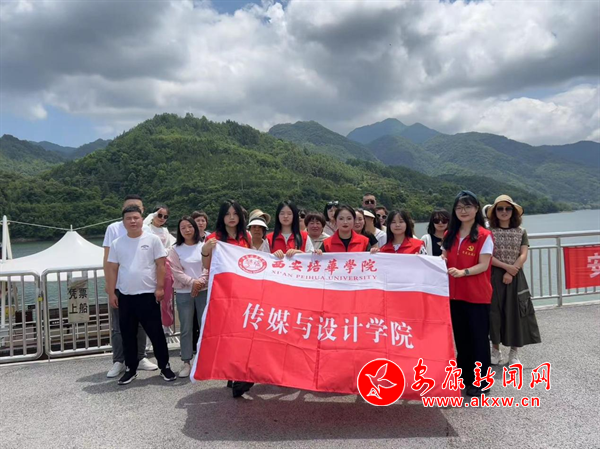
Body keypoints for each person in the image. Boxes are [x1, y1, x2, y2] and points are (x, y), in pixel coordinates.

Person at [105, 205, 176, 385]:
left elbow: (161, 265)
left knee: (156, 333)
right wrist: (112, 292)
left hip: (148, 295)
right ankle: (131, 369)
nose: (133, 221)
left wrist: (160, 288)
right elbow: (112, 269)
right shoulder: (117, 243)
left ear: (142, 219)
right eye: (128, 218)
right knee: (127, 334)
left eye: (136, 218)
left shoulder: (152, 240)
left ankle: (165, 366)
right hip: (125, 296)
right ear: (123, 222)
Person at [441, 190, 494, 397]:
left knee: (478, 338)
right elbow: (444, 258)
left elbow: (484, 265)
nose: (463, 211)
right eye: (459, 207)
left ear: (476, 209)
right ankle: (464, 376)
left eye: (468, 207)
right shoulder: (449, 234)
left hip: (477, 295)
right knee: (461, 338)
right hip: (454, 295)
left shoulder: (484, 235)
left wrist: (464, 272)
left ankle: (481, 381)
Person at [200, 200, 251, 398]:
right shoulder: (214, 238)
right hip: (223, 294)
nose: (231, 217)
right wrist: (206, 250)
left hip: (244, 293)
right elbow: (207, 265)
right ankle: (233, 373)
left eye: (235, 214)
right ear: (222, 216)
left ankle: (239, 374)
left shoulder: (246, 236)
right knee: (229, 334)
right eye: (227, 214)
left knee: (243, 333)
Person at [102, 194, 157, 378]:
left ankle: (140, 357)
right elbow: (108, 259)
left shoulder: (147, 230)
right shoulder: (113, 229)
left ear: (142, 211)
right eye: (129, 207)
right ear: (123, 211)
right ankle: (119, 360)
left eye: (137, 208)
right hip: (120, 285)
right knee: (119, 326)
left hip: (142, 287)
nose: (133, 215)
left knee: (140, 325)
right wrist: (109, 285)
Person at [488, 195, 541, 366]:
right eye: (500, 208)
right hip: (494, 276)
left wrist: (512, 271)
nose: (504, 212)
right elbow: (486, 256)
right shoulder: (488, 232)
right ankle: (495, 350)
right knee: (494, 313)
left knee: (516, 312)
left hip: (516, 276)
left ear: (513, 212)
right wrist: (506, 268)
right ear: (495, 212)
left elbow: (523, 254)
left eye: (508, 208)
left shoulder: (521, 231)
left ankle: (514, 353)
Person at [168, 216, 209, 378]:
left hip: (204, 291)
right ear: (179, 231)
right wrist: (193, 283)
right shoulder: (175, 249)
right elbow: (176, 271)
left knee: (204, 326)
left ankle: (203, 360)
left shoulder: (204, 246)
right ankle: (186, 361)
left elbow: (208, 266)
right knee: (186, 328)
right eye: (183, 227)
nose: (187, 230)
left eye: (190, 226)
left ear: (195, 228)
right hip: (184, 293)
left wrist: (200, 282)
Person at [144, 204, 176, 338]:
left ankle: (166, 325)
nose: (162, 218)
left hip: (164, 264)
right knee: (148, 297)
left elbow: (171, 245)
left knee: (166, 296)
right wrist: (152, 215)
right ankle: (149, 327)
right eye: (159, 215)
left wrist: (164, 252)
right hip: (149, 265)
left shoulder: (165, 231)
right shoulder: (147, 228)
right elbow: (143, 226)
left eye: (165, 216)